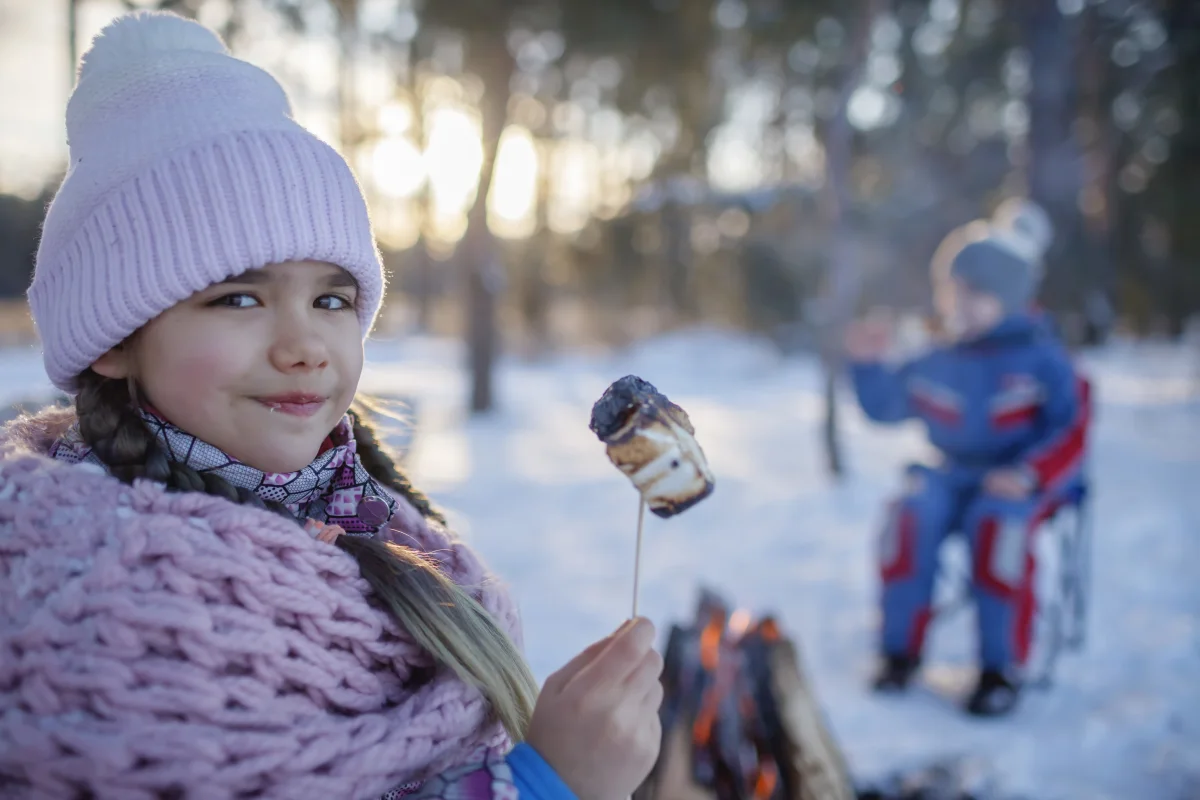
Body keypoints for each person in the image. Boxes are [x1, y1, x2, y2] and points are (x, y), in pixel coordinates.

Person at [0, 12, 663, 798]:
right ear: (115, 337)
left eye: (332, 298)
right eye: (239, 299)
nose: (305, 345)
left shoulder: (370, 526)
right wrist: (544, 783)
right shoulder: (97, 607)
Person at [844, 224, 1087, 717]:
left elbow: (1072, 431)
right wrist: (868, 366)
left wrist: (1029, 474)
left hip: (1018, 481)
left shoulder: (1042, 359)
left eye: (976, 294)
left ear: (1011, 298)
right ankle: (899, 652)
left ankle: (1000, 669)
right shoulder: (939, 358)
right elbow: (887, 406)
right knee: (910, 515)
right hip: (951, 473)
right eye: (953, 292)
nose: (960, 304)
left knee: (998, 527)